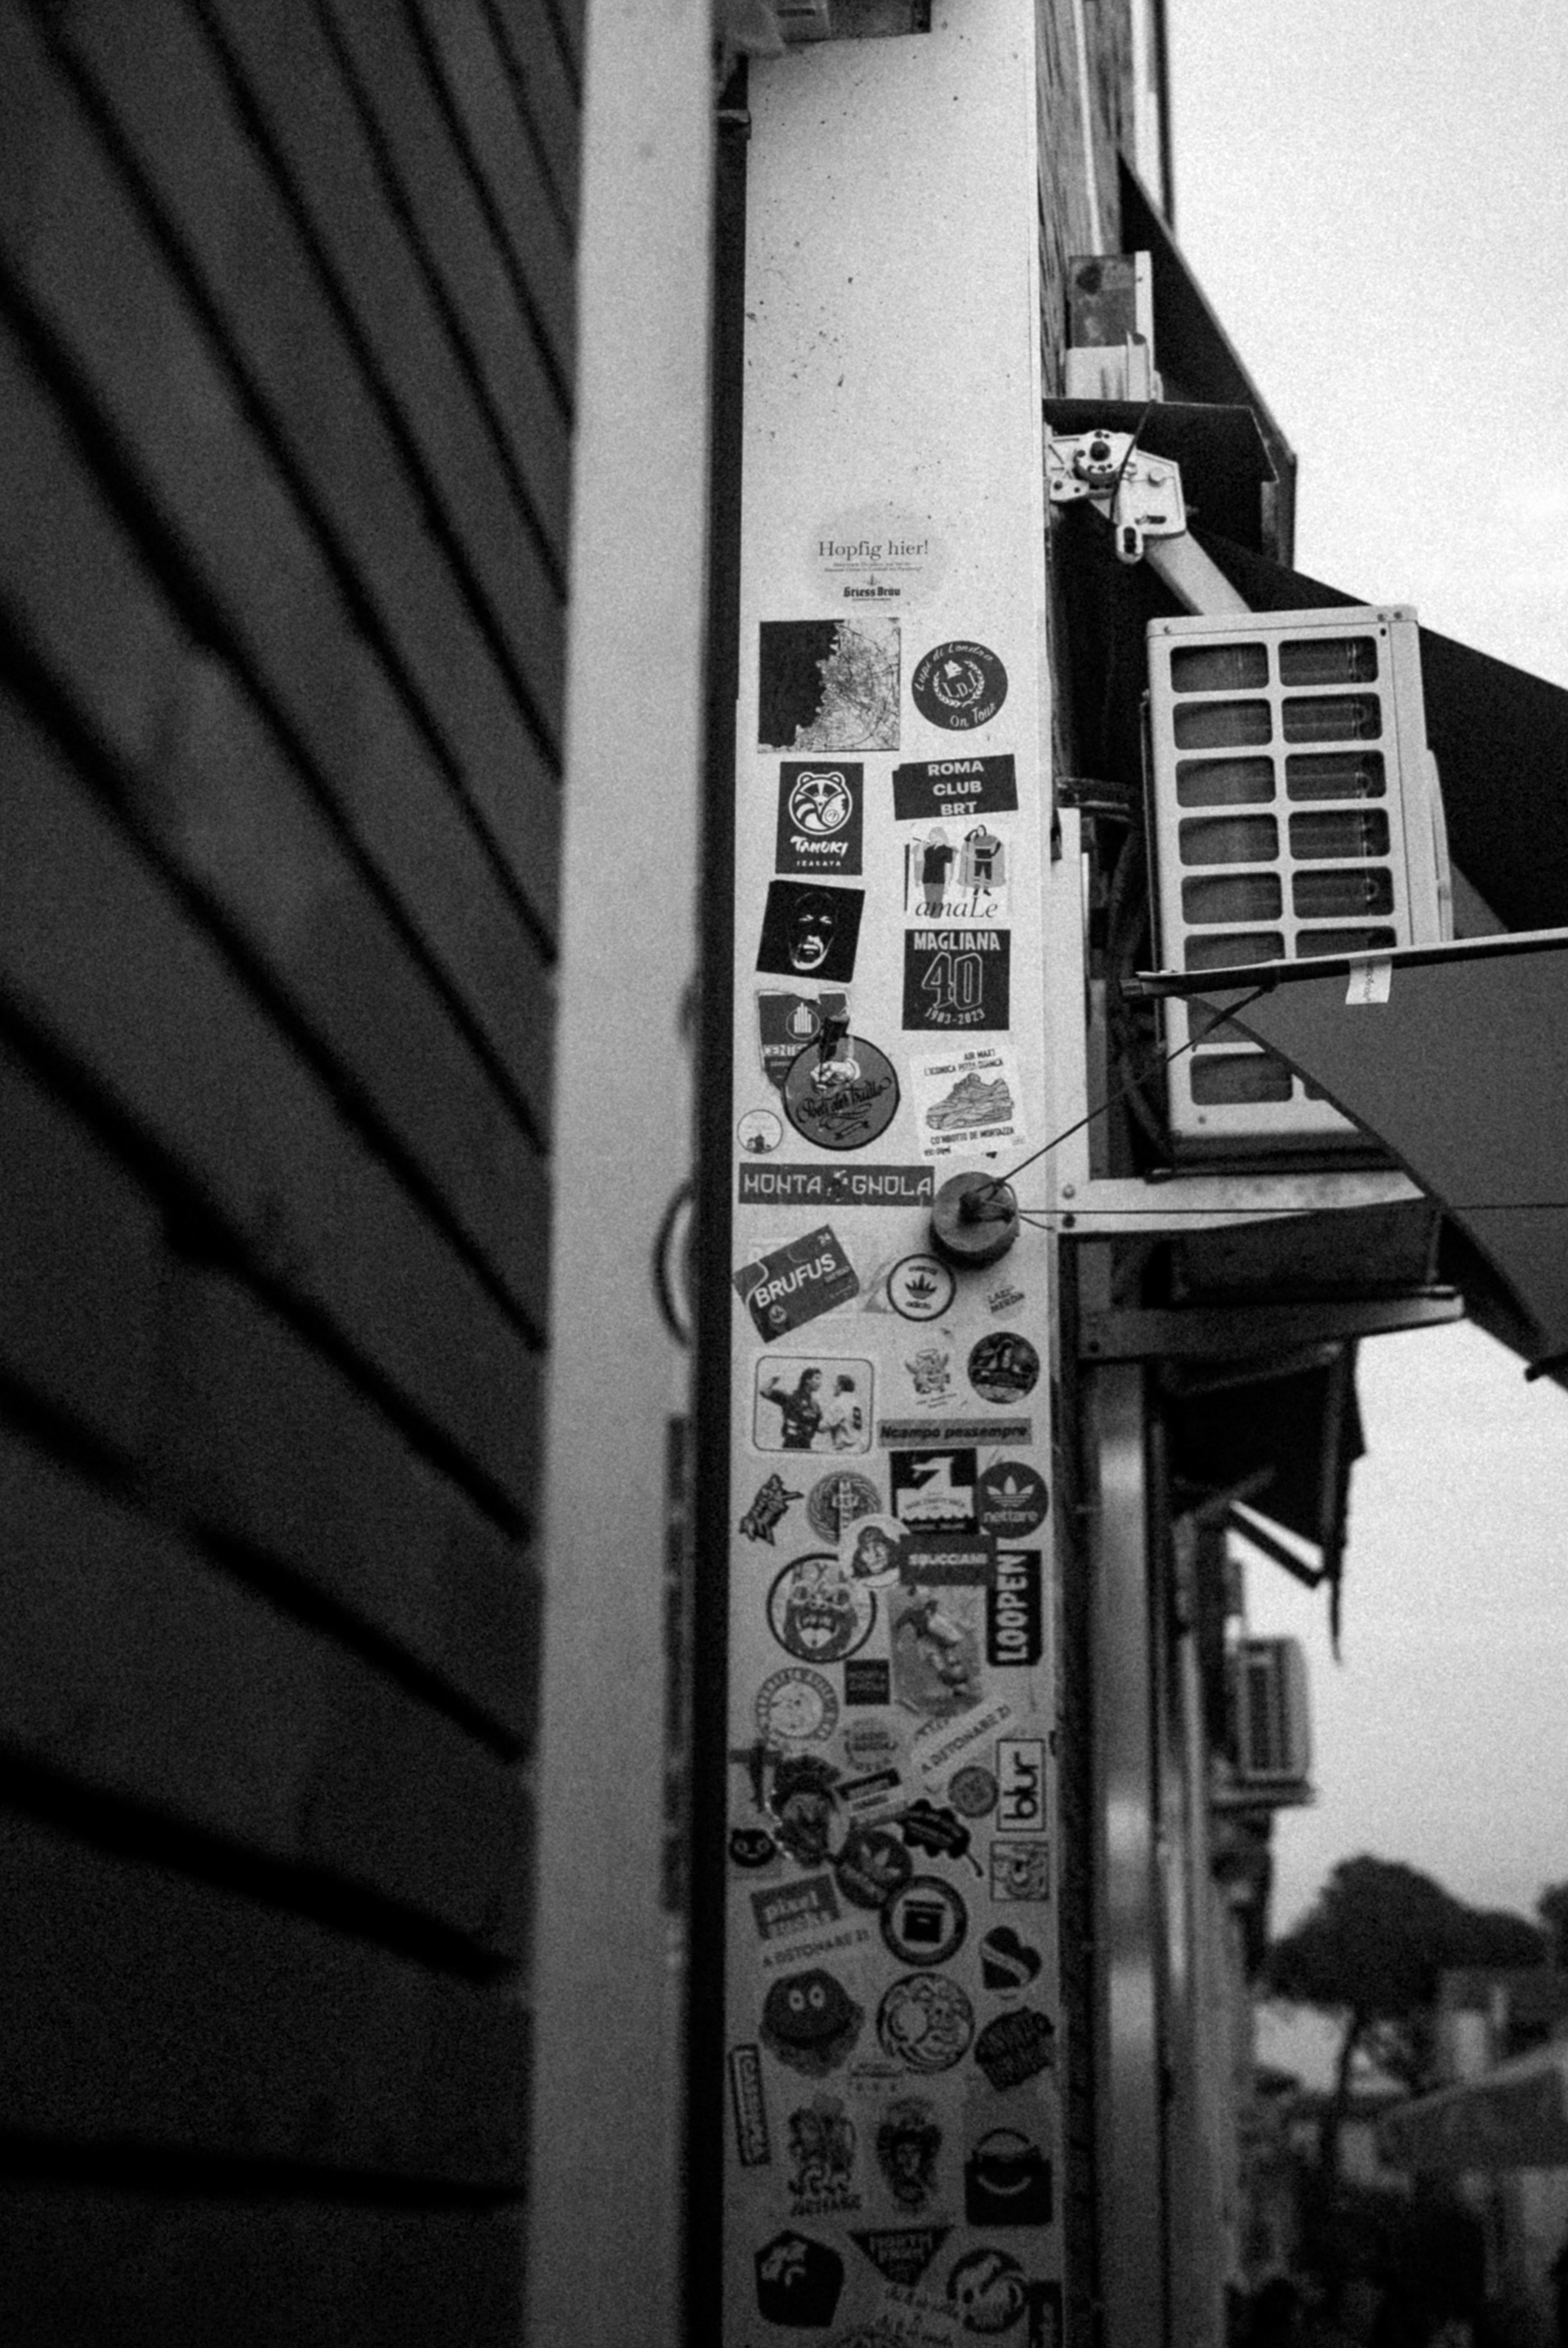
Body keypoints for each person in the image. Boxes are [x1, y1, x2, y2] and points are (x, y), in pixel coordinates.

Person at [759, 1365, 822, 1449]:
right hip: (791, 1445)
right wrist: (775, 1378)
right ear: (808, 1380)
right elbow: (763, 1390)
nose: (820, 1382)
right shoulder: (791, 1398)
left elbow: (821, 1427)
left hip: (806, 1446)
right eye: (817, 1378)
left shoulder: (815, 1405)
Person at [815, 1372, 864, 1451]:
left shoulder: (840, 1403)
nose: (833, 1386)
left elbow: (823, 1427)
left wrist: (810, 1419)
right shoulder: (857, 1402)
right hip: (858, 1448)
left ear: (840, 1386)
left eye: (835, 1384)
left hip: (845, 1449)